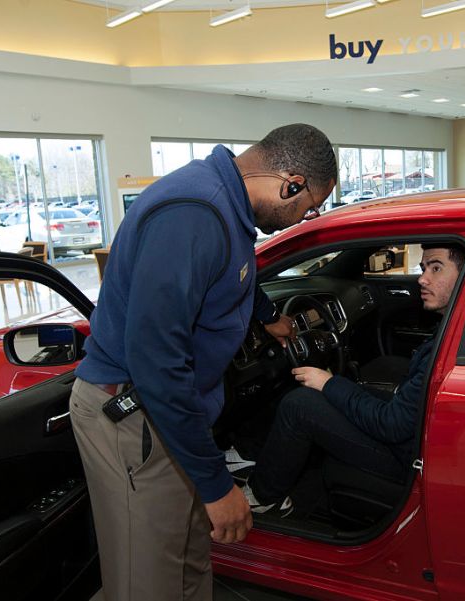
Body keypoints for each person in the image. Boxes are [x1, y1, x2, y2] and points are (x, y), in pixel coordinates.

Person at [69, 123, 337, 601]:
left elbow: (234, 271)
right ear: (289, 181)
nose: (304, 217)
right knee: (146, 579)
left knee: (188, 558)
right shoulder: (193, 213)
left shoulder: (227, 208)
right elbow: (155, 363)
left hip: (173, 415)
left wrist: (270, 315)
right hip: (136, 416)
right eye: (307, 204)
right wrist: (216, 485)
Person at [241, 242, 465, 514]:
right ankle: (251, 453)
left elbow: (391, 424)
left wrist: (328, 382)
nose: (422, 278)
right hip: (418, 439)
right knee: (338, 390)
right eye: (423, 268)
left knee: (299, 404)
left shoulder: (454, 339)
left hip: (407, 457)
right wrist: (333, 385)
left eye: (436, 268)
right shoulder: (461, 326)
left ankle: (263, 496)